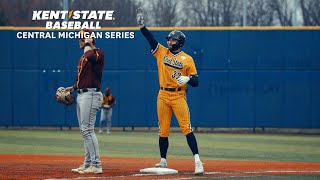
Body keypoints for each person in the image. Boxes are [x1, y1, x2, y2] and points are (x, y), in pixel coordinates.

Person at [136, 8, 204, 174]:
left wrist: (188, 78)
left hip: (178, 95)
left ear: (179, 42)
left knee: (186, 128)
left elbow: (196, 81)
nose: (169, 42)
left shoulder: (187, 59)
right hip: (163, 95)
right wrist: (142, 26)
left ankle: (197, 161)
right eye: (169, 39)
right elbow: (151, 39)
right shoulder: (162, 52)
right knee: (163, 130)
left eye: (172, 40)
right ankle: (163, 161)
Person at [66, 29, 104, 174]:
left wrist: (88, 42)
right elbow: (83, 77)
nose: (79, 41)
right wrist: (74, 87)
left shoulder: (98, 53)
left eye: (80, 38)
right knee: (84, 131)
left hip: (92, 94)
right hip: (82, 94)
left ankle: (96, 164)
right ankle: (88, 163)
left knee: (88, 130)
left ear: (87, 39)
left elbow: (90, 55)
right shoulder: (84, 56)